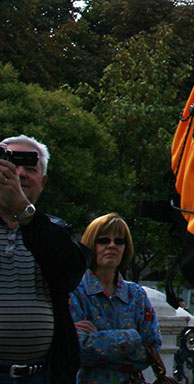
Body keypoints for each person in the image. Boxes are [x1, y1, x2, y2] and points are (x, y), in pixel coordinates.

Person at [0, 134, 88, 384]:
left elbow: (69, 275)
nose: (20, 174)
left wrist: (24, 211)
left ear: (43, 181)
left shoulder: (54, 231)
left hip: (41, 374)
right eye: (11, 165)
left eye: (30, 168)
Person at [68, 214, 161, 384]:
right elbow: (76, 349)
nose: (112, 245)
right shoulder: (74, 291)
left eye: (119, 241)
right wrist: (132, 337)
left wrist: (98, 343)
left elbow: (151, 350)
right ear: (91, 244)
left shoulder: (136, 295)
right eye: (104, 240)